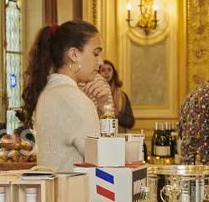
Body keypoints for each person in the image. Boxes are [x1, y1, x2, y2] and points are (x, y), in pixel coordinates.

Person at [22, 21, 110, 171]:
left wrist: (102, 111)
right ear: (74, 54)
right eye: (95, 53)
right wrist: (107, 113)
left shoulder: (49, 91)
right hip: (73, 186)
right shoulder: (73, 99)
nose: (100, 61)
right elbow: (105, 161)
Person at [99, 60, 135, 132]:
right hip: (98, 133)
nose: (106, 72)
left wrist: (117, 114)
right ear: (98, 73)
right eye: (103, 70)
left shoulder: (122, 96)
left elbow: (130, 122)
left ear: (113, 73)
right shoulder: (93, 93)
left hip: (119, 135)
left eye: (109, 70)